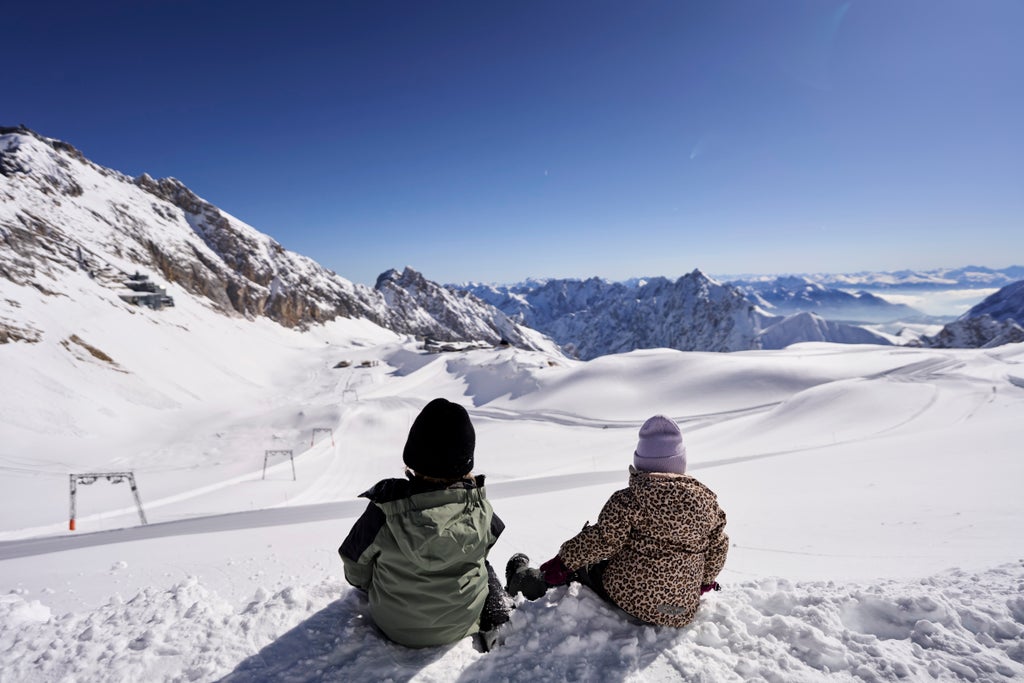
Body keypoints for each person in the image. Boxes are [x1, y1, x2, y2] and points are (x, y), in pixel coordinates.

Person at [506, 414, 728, 628]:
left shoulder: (628, 500)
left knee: (583, 566)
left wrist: (562, 562)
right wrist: (704, 582)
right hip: (681, 611)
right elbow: (718, 548)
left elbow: (602, 540)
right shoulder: (708, 505)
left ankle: (528, 581)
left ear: (640, 464)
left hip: (629, 597)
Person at [339, 398, 511, 648]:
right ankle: (499, 618)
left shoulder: (385, 510)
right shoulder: (480, 508)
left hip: (394, 625)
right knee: (486, 568)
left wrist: (378, 584)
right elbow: (484, 549)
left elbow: (354, 568)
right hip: (461, 623)